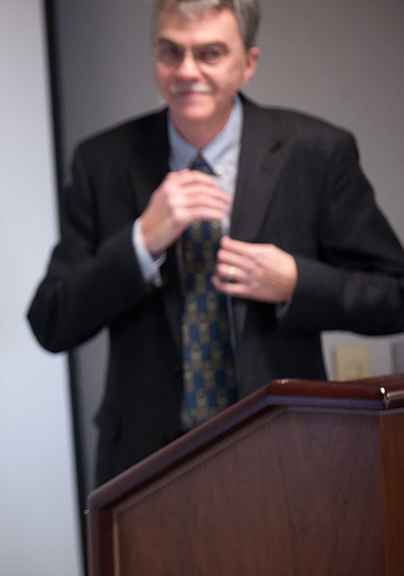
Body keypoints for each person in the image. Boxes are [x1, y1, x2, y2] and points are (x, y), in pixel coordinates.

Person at [28, 0, 404, 486]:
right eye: (171, 52)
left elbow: (396, 295)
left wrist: (295, 282)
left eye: (209, 53)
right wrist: (140, 243)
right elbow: (51, 322)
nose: (187, 71)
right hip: (146, 470)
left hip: (288, 459)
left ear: (247, 63)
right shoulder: (101, 162)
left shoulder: (316, 151)